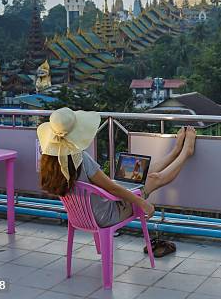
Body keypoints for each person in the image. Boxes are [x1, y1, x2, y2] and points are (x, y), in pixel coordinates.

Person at [38, 107, 196, 256]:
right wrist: (142, 203)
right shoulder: (80, 158)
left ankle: (175, 151)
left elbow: (103, 186)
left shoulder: (49, 158)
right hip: (105, 216)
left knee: (140, 173)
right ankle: (186, 152)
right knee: (155, 179)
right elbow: (112, 189)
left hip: (80, 215)